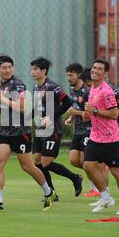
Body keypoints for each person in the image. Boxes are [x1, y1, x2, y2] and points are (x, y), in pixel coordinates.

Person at [0, 55, 56, 212]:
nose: (7, 70)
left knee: (28, 166)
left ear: (13, 68)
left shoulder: (18, 85)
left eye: (10, 67)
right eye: (4, 68)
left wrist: (4, 99)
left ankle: (48, 192)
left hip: (21, 131)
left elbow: (21, 107)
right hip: (5, 131)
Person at [82, 59, 119, 214]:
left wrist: (95, 111)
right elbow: (94, 111)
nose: (95, 70)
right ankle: (106, 198)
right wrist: (88, 115)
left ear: (105, 73)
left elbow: (114, 114)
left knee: (116, 171)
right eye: (94, 68)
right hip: (95, 136)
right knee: (88, 166)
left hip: (110, 138)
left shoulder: (107, 91)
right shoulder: (92, 88)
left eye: (99, 69)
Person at [30, 57, 82, 201]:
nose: (32, 72)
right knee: (37, 162)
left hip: (53, 129)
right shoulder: (36, 87)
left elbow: (67, 102)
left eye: (35, 69)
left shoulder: (52, 86)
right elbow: (38, 108)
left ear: (44, 71)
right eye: (32, 69)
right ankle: (52, 193)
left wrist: (50, 117)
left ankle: (75, 178)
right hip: (40, 129)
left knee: (46, 162)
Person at [65, 64, 98, 197]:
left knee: (86, 162)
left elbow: (89, 113)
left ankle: (95, 188)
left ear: (79, 75)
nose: (69, 78)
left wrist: (75, 112)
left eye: (71, 75)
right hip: (78, 131)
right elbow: (76, 108)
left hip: (89, 129)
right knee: (73, 160)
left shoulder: (87, 91)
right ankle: (98, 169)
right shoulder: (73, 90)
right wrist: (71, 117)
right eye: (67, 75)